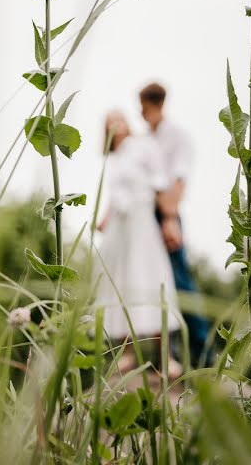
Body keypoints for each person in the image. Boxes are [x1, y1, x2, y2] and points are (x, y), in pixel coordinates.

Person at [95, 111, 184, 377]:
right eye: (110, 121)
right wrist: (105, 218)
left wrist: (169, 219)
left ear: (128, 124)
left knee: (151, 280)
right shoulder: (113, 159)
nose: (117, 125)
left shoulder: (144, 147)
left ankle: (165, 357)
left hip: (142, 223)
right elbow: (115, 195)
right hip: (119, 229)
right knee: (121, 285)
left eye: (120, 119)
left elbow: (159, 184)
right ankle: (128, 354)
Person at [139, 82, 211, 366]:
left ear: (156, 106)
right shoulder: (145, 138)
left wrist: (169, 219)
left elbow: (179, 181)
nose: (142, 114)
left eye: (145, 109)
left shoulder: (177, 137)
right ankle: (166, 356)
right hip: (144, 216)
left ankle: (203, 352)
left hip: (165, 214)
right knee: (154, 286)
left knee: (180, 283)